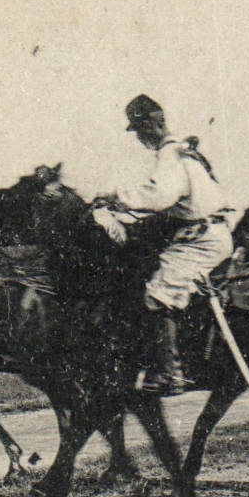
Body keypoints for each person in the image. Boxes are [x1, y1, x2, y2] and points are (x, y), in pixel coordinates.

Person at [92, 94, 233, 394]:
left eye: (140, 130)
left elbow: (159, 196)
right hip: (206, 233)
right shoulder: (185, 152)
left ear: (154, 125)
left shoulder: (170, 155)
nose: (140, 137)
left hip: (201, 240)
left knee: (157, 294)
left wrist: (116, 196)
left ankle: (172, 373)